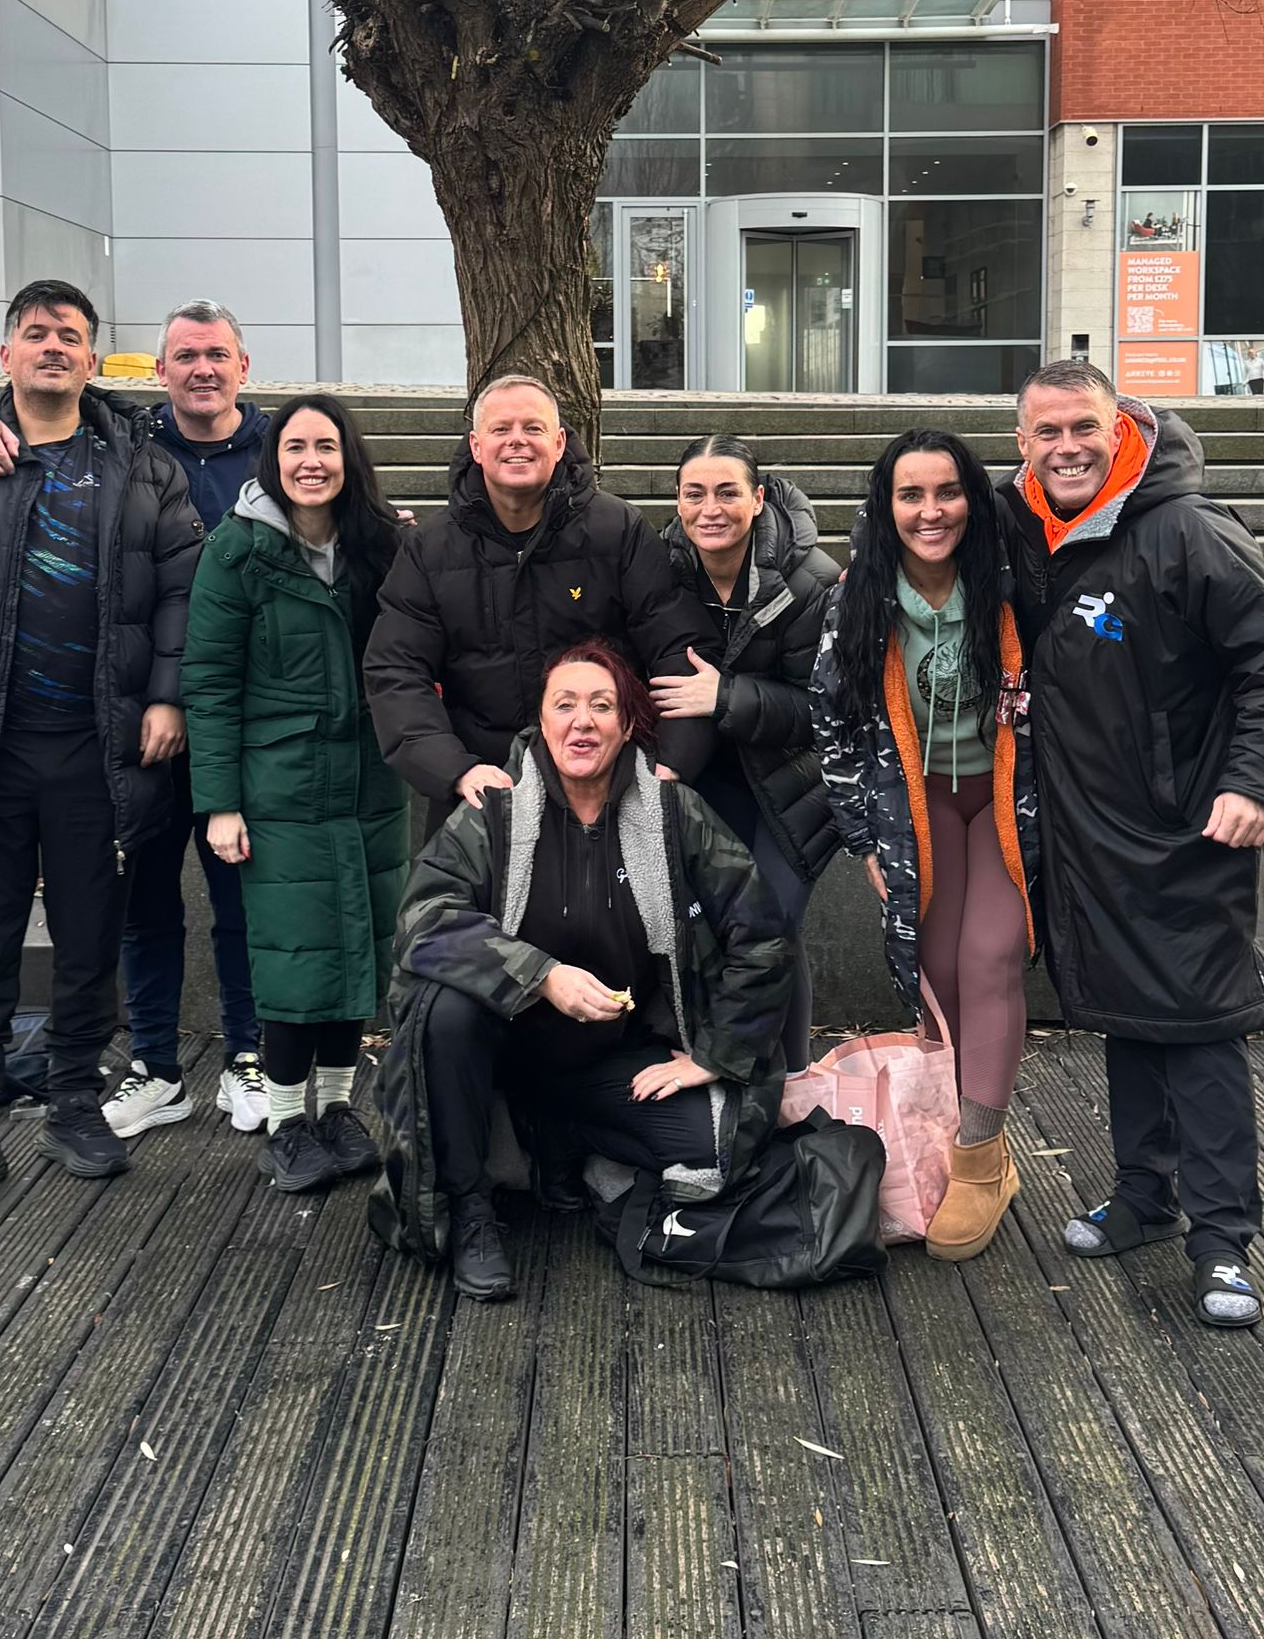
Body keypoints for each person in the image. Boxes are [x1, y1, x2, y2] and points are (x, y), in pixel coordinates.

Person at [1004, 360, 1264, 1328]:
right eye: (1045, 431)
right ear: (1021, 441)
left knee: (1202, 1031)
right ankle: (1144, 1194)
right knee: (1127, 1019)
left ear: (1118, 427)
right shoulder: (1020, 527)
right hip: (1087, 835)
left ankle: (1222, 1241)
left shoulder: (1185, 530)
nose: (1065, 447)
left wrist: (1255, 782)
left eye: (1082, 428)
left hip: (1189, 833)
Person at [0, 281, 202, 1207]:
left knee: (92, 936)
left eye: (70, 335)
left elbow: (184, 593)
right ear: (8, 353)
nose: (53, 347)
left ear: (94, 358)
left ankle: (73, 1103)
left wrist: (168, 698)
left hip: (99, 751)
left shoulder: (144, 467)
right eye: (36, 334)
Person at [369, 641, 791, 1300]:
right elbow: (423, 918)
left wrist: (715, 1054)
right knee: (445, 1009)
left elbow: (762, 933)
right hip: (502, 1052)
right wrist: (540, 976)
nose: (582, 721)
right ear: (541, 722)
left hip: (612, 1059)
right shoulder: (497, 812)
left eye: (602, 706)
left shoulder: (673, 814)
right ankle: (472, 1207)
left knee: (717, 1145)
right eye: (564, 705)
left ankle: (557, 1134)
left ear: (627, 725)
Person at [0, 301, 271, 1136]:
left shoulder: (285, 451)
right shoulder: (129, 446)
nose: (203, 370)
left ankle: (248, 1055)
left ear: (246, 367)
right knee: (143, 900)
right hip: (139, 723)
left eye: (218, 355)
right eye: (185, 356)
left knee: (242, 895)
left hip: (244, 718)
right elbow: (33, 413)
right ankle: (154, 1065)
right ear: (155, 372)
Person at [810, 430, 1040, 1262]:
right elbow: (830, 720)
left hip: (1009, 803)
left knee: (990, 958)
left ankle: (981, 1161)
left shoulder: (1014, 586)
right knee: (937, 974)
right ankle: (946, 1130)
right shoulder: (858, 600)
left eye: (946, 492)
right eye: (911, 495)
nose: (930, 511)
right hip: (915, 809)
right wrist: (860, 833)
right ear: (888, 507)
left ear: (972, 500)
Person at [180, 394, 411, 1194]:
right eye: (294, 446)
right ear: (272, 459)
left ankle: (340, 1109)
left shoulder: (379, 547)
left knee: (357, 947)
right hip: (278, 789)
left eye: (327, 445)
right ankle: (284, 1119)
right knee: (292, 958)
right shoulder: (237, 552)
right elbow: (207, 683)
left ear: (350, 458)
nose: (311, 461)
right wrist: (219, 803)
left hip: (370, 785)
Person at [363, 374, 719, 839]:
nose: (517, 441)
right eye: (501, 429)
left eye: (533, 428)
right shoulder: (430, 550)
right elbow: (395, 672)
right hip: (485, 791)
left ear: (558, 442)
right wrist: (455, 771)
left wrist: (671, 764)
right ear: (475, 445)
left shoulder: (619, 530)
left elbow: (677, 647)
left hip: (611, 787)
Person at [650, 434, 839, 1069]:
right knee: (706, 933)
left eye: (728, 492)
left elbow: (828, 710)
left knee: (773, 925)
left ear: (758, 499)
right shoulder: (660, 572)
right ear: (677, 503)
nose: (711, 508)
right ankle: (727, 1087)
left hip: (791, 785)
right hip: (701, 779)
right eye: (694, 493)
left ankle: (792, 1082)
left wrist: (724, 695)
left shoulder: (811, 581)